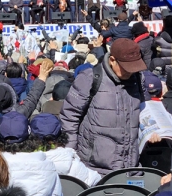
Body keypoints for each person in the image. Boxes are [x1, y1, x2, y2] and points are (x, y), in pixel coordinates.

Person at [60, 38, 148, 175]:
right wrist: (71, 156)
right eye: (126, 68)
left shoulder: (138, 79)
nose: (130, 72)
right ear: (112, 60)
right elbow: (69, 118)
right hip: (94, 168)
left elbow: (145, 111)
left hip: (131, 167)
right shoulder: (89, 78)